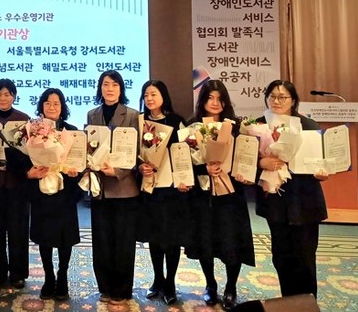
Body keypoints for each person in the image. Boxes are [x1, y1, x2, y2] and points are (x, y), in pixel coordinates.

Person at [184, 79, 255, 310]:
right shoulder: (191, 126)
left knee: (232, 241)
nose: (215, 103)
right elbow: (184, 162)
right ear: (202, 101)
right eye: (210, 98)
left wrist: (243, 172)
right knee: (205, 240)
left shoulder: (236, 126)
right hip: (203, 194)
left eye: (219, 98)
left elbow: (246, 157)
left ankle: (231, 287)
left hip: (231, 194)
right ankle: (210, 285)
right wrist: (204, 168)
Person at [256, 80, 327, 298]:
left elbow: (322, 162)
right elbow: (244, 161)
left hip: (304, 200)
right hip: (276, 201)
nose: (276, 101)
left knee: (305, 257)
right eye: (272, 96)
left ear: (293, 101)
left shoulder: (309, 126)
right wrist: (260, 163)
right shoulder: (258, 126)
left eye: (282, 97)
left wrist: (322, 172)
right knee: (281, 256)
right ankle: (288, 302)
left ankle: (308, 304)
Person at [86, 70, 140, 304]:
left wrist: (117, 171)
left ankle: (122, 290)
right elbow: (89, 146)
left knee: (123, 241)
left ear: (121, 89)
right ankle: (105, 287)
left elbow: (137, 151)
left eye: (114, 85)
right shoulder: (92, 114)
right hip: (99, 188)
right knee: (102, 241)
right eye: (105, 84)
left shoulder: (133, 115)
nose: (109, 89)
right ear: (100, 88)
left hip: (123, 188)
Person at [137, 80, 190, 305]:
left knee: (172, 238)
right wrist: (141, 166)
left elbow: (186, 153)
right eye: (146, 95)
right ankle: (157, 279)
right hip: (150, 189)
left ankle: (170, 283)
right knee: (155, 237)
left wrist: (184, 179)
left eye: (154, 94)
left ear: (163, 96)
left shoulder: (176, 121)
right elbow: (134, 153)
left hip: (172, 189)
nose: (149, 99)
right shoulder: (139, 121)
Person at [26, 88, 80, 301]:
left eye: (56, 103)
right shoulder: (32, 131)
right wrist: (31, 173)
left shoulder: (72, 132)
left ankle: (63, 276)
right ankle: (49, 277)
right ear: (41, 106)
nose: (52, 107)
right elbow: (25, 159)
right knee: (45, 237)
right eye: (47, 103)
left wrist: (75, 171)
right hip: (42, 191)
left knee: (65, 239)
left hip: (65, 192)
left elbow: (79, 160)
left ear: (62, 107)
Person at [0, 78, 31, 289]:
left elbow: (29, 154)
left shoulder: (23, 120)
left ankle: (18, 273)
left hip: (17, 183)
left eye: (7, 94)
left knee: (18, 230)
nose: (3, 98)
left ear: (14, 96)